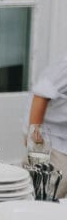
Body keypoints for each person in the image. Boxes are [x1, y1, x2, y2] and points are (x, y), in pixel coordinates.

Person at [24, 53, 67, 199]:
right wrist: (35, 140)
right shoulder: (65, 66)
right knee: (46, 196)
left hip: (61, 140)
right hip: (51, 143)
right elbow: (41, 94)